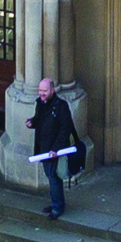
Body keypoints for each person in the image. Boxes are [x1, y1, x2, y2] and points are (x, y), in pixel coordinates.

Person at [28, 78, 84, 220]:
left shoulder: (61, 106)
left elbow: (66, 128)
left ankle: (57, 207)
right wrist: (32, 122)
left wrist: (56, 149)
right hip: (44, 148)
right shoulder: (40, 103)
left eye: (44, 91)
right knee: (50, 176)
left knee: (53, 177)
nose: (42, 93)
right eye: (40, 90)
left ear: (52, 90)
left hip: (54, 150)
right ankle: (55, 204)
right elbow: (39, 119)